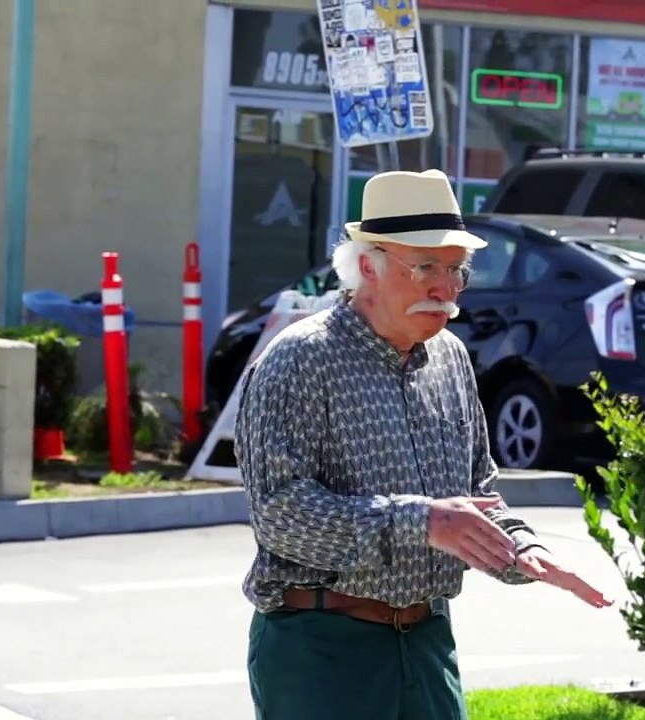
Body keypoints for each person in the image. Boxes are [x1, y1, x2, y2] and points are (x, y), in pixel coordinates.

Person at [235, 168, 614, 720]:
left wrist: (522, 550)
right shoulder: (301, 359)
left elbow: (478, 495)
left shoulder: (452, 359)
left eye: (456, 269)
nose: (446, 287)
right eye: (426, 267)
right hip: (322, 649)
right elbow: (280, 514)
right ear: (367, 266)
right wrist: (423, 520)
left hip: (428, 640)